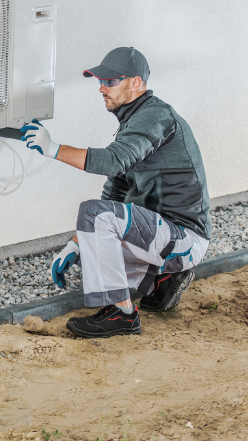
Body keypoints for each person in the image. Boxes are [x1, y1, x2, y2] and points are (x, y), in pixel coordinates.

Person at [20, 46, 210, 338]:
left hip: (183, 236)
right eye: (100, 82)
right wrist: (76, 243)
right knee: (93, 249)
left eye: (110, 82)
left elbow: (112, 160)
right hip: (163, 234)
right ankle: (162, 281)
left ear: (136, 83)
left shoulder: (155, 116)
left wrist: (52, 148)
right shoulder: (133, 123)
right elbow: (114, 192)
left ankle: (122, 314)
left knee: (94, 219)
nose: (101, 89)